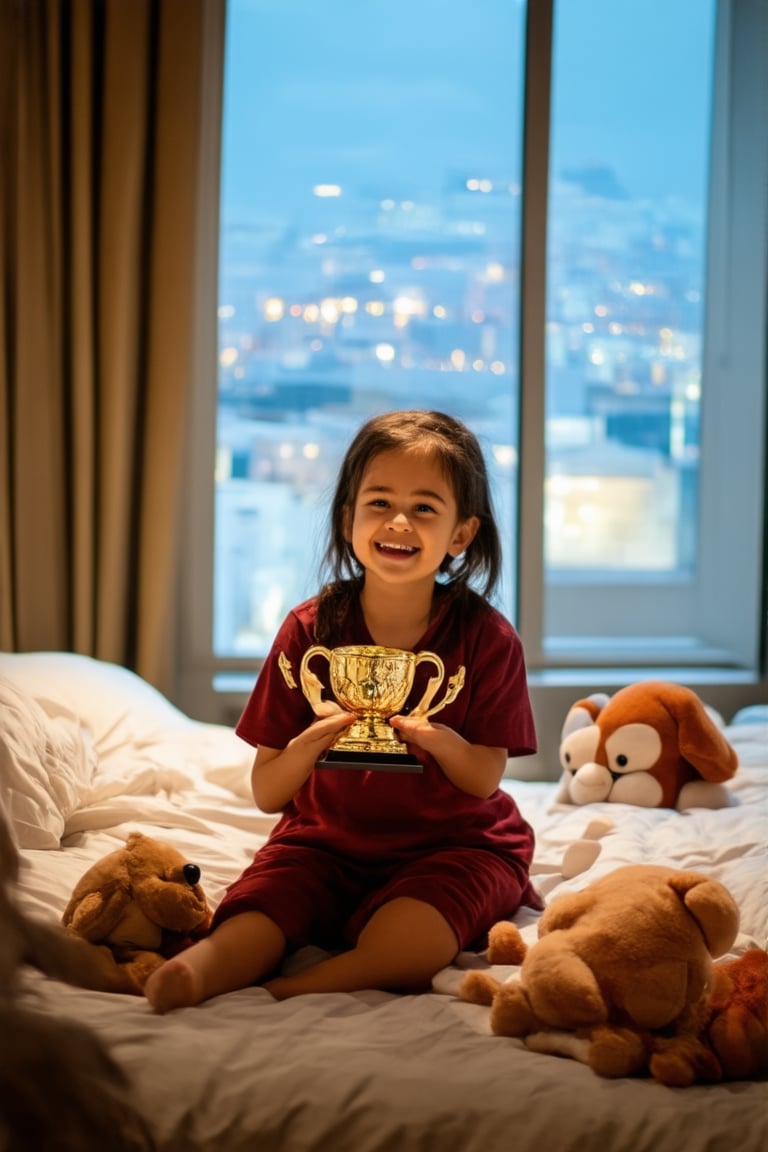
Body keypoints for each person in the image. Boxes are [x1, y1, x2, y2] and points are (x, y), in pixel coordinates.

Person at [145, 409, 540, 1013]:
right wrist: (311, 741)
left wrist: (433, 738)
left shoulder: (488, 639)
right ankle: (195, 973)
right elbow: (268, 792)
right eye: (379, 502)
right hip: (324, 843)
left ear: (461, 534)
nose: (399, 522)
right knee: (258, 913)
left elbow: (484, 778)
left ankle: (297, 987)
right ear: (348, 518)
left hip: (455, 845)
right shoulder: (308, 629)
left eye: (425, 508)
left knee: (417, 935)